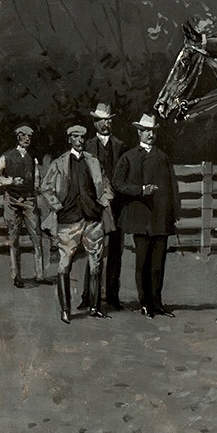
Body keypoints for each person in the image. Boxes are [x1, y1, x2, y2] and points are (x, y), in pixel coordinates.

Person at [40, 125, 115, 323]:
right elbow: (45, 188)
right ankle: (65, 310)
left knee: (96, 263)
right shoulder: (59, 163)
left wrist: (103, 201)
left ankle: (94, 307)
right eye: (75, 137)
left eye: (82, 137)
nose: (80, 140)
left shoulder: (94, 161)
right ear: (69, 139)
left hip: (93, 219)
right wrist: (58, 207)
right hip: (68, 221)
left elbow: (107, 186)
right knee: (64, 264)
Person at [112, 114, 179, 318]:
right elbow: (117, 183)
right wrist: (140, 190)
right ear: (139, 132)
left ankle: (157, 303)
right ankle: (145, 303)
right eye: (147, 131)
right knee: (142, 263)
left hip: (160, 218)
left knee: (158, 265)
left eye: (153, 131)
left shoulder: (162, 157)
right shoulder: (129, 157)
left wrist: (175, 212)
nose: (151, 135)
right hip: (140, 218)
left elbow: (173, 186)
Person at [78, 102, 128, 311]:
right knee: (93, 251)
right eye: (101, 120)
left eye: (108, 120)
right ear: (95, 123)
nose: (105, 124)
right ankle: (89, 296)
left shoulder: (121, 146)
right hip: (95, 206)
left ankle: (113, 296)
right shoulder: (87, 146)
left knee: (115, 251)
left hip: (116, 205)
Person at [0, 125, 47, 288]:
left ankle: (39, 274)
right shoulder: (6, 157)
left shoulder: (32, 158)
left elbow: (37, 178)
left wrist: (36, 189)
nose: (27, 139)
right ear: (17, 137)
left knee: (37, 236)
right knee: (13, 238)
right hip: (12, 201)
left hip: (29, 200)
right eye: (24, 136)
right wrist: (10, 181)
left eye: (29, 137)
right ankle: (16, 276)